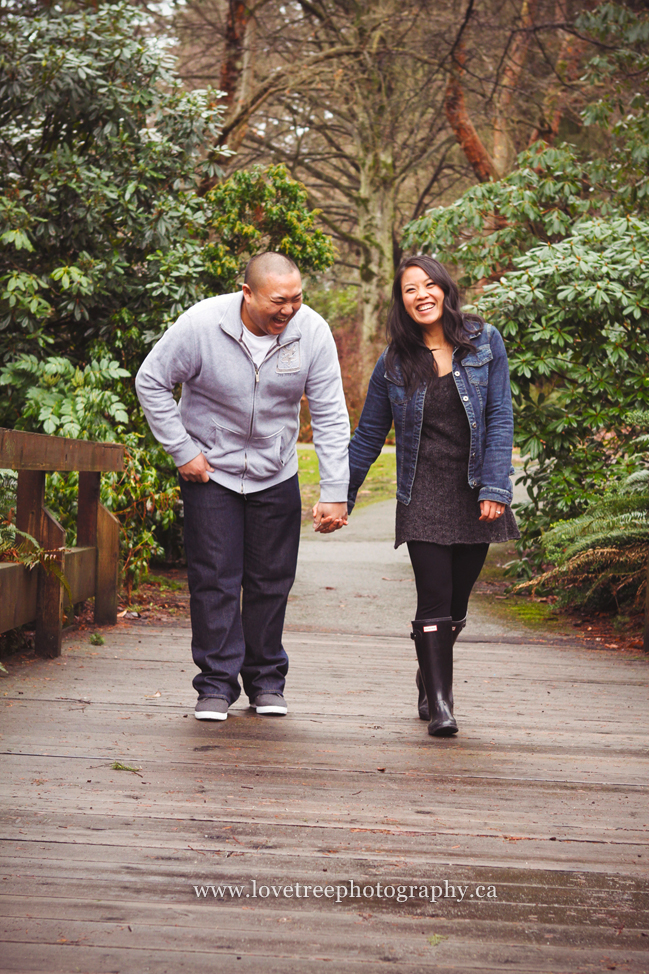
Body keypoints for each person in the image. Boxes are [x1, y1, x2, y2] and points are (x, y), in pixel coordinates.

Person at [136, 253, 349, 721]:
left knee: (271, 582)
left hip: (277, 472)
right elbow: (151, 381)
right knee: (214, 579)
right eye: (279, 301)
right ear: (247, 293)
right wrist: (183, 450)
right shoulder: (201, 325)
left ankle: (267, 682)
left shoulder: (311, 331)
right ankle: (215, 686)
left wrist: (335, 489)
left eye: (297, 298)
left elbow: (331, 411)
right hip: (213, 472)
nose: (289, 310)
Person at [347, 255, 519, 738]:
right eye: (409, 289)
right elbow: (367, 437)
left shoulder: (484, 341)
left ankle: (429, 672)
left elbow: (500, 417)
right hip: (422, 492)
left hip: (473, 489)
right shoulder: (394, 361)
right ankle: (442, 705)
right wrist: (343, 496)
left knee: (458, 605)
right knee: (434, 597)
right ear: (400, 301)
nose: (421, 294)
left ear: (444, 289)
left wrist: (494, 486)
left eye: (429, 285)